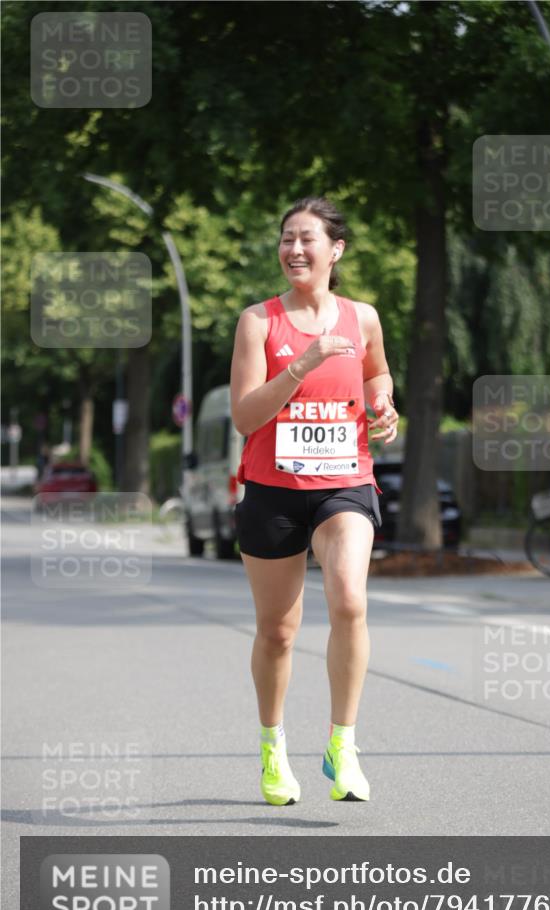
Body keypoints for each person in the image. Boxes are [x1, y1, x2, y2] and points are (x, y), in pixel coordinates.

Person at [230, 197, 398, 806]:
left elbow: (377, 375)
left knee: (350, 598)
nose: (294, 250)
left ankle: (342, 745)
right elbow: (245, 415)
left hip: (343, 482)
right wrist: (299, 364)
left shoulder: (363, 318)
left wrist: (385, 407)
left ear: (336, 250)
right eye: (286, 239)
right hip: (273, 490)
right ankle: (273, 746)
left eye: (307, 239)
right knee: (278, 631)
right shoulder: (258, 322)